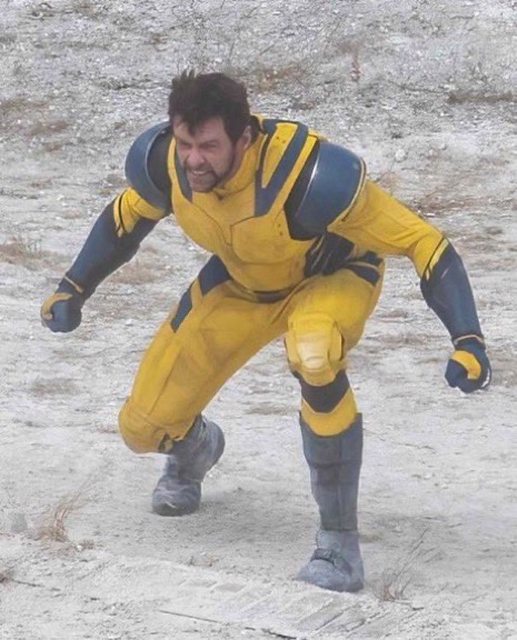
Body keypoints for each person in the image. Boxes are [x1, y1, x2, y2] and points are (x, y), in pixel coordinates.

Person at [41, 70, 491, 593]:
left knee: (314, 355)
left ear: (245, 138)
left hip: (330, 277)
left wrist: (467, 340)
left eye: (209, 146)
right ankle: (196, 450)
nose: (194, 160)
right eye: (186, 143)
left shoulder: (309, 179)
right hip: (244, 282)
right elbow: (125, 218)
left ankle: (338, 545)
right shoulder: (166, 163)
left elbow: (424, 242)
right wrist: (74, 286)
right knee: (142, 427)